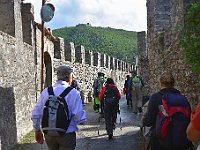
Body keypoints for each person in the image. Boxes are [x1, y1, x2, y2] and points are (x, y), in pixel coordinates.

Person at [31, 65, 87, 150]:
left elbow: (36, 113)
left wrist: (37, 129)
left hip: (49, 133)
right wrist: (82, 121)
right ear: (68, 76)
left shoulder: (46, 91)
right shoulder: (74, 93)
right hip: (66, 133)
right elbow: (79, 117)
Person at [141, 71, 191, 150]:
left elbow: (149, 121)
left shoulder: (156, 97)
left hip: (161, 142)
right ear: (173, 84)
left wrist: (143, 119)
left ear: (160, 83)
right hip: (180, 141)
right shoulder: (182, 99)